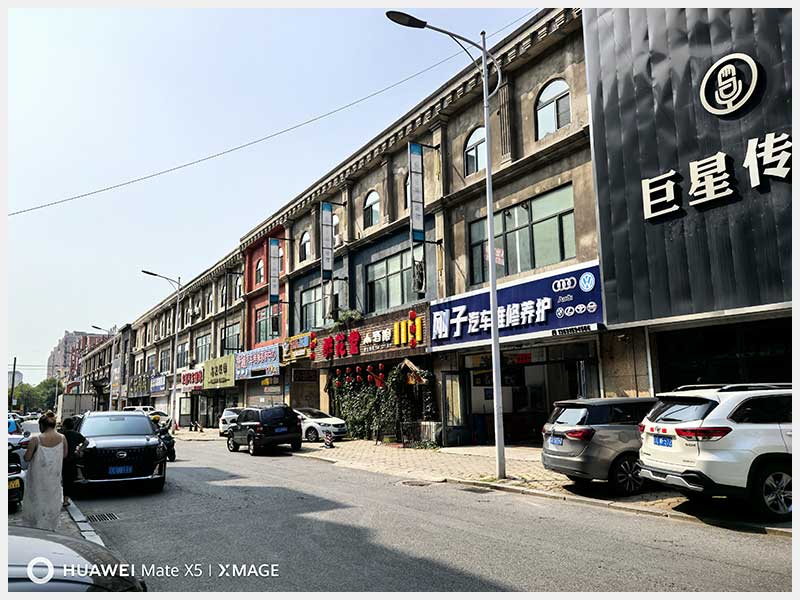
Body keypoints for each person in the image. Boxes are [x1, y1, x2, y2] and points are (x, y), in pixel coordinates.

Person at [21, 411, 67, 530]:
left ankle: (37, 531)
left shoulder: (35, 439)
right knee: (51, 505)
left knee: (36, 505)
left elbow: (27, 458)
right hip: (54, 480)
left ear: (42, 425)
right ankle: (50, 530)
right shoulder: (62, 438)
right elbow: (64, 454)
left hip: (37, 480)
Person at [61, 417, 85, 507]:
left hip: (62, 459)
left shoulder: (62, 435)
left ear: (64, 426)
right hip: (72, 460)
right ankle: (66, 500)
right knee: (69, 480)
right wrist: (79, 450)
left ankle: (63, 499)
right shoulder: (76, 434)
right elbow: (86, 442)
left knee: (64, 479)